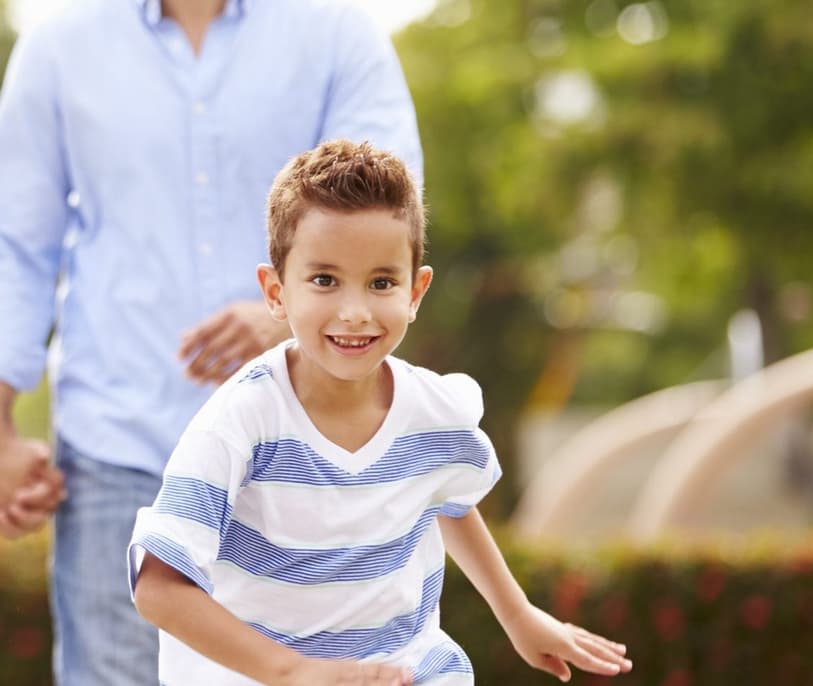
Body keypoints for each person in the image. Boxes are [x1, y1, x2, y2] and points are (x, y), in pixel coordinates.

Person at [0, 0, 425, 682]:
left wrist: (284, 317)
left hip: (300, 455)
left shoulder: (336, 34)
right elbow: (13, 244)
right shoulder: (60, 47)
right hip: (120, 445)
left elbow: (390, 213)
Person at [128, 140, 634, 685]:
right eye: (325, 280)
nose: (355, 312)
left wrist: (517, 615)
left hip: (402, 669)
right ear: (275, 292)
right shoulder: (239, 423)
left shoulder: (433, 412)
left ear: (415, 292)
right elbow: (157, 585)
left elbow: (449, 497)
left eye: (381, 283)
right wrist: (294, 672)